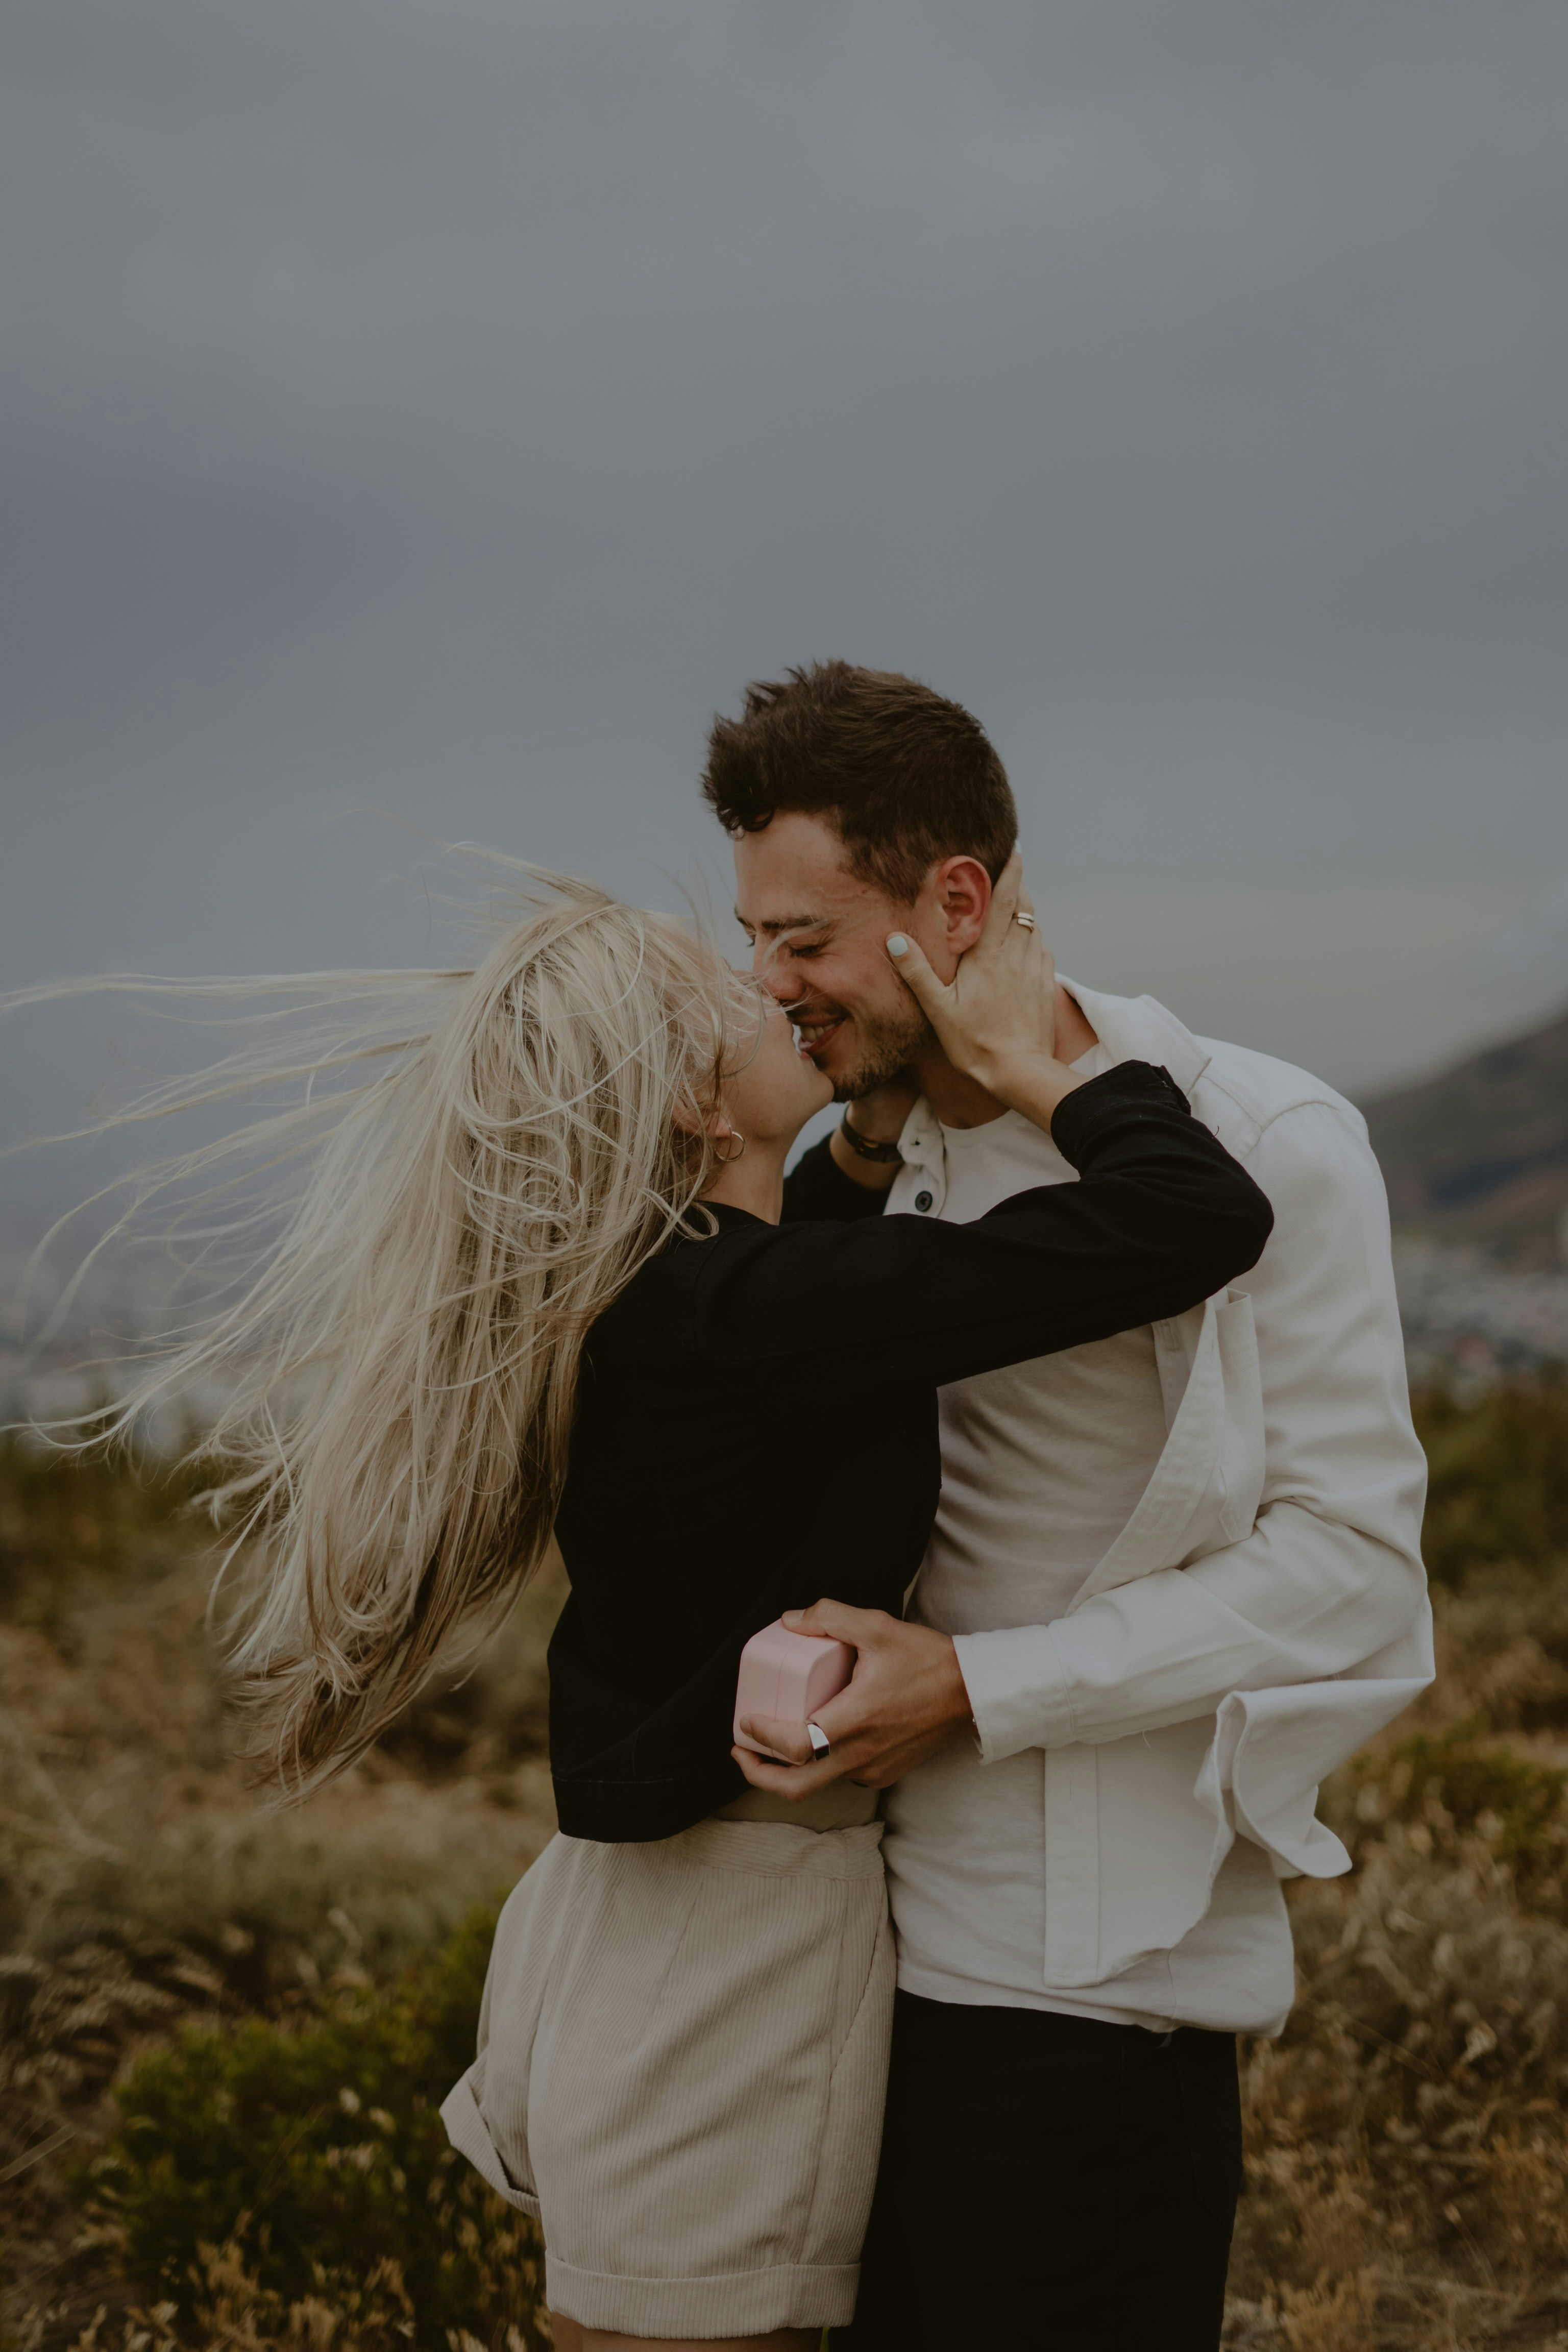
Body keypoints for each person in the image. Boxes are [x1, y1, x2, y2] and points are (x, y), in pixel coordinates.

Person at [8, 854, 1270, 2352]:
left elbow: (799, 1270)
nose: (772, 990)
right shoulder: (740, 1316)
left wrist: (866, 1142)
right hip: (724, 1952)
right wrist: (1034, 1065)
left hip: (665, 1917)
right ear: (687, 1101)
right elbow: (1194, 1215)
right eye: (726, 987)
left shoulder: (669, 1292)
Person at [703, 662, 1435, 2352]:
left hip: (1083, 1983)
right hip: (823, 1948)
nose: (772, 981)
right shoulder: (859, 1173)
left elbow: (1353, 1578)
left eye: (806, 937)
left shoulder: (1267, 1139)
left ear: (952, 904)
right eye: (757, 938)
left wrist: (972, 1689)